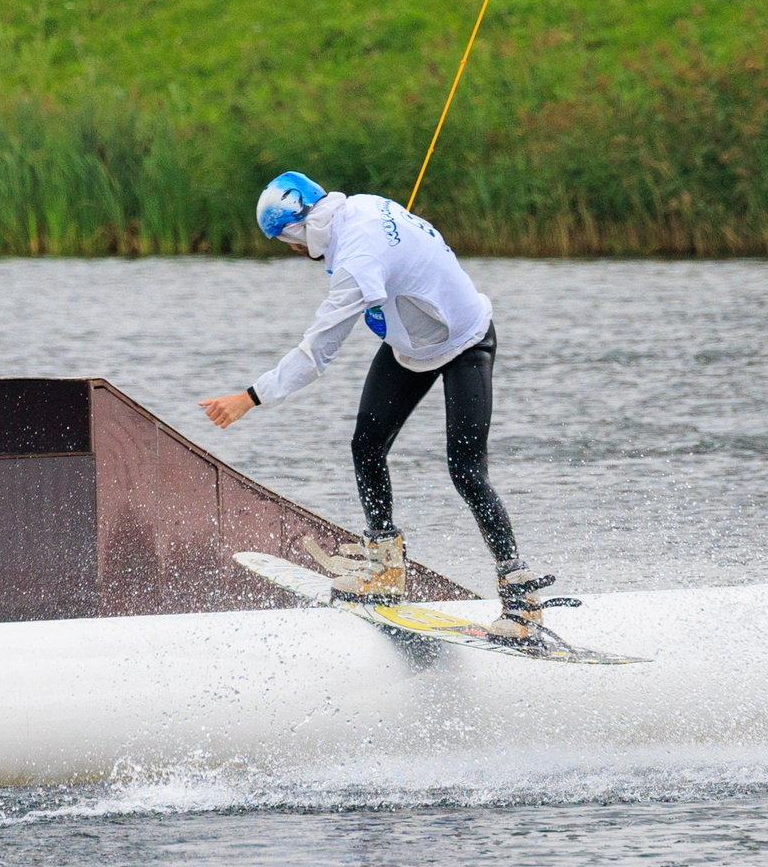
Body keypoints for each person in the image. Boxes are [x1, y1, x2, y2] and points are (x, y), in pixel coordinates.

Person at [198, 173, 567, 643]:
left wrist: (249, 397)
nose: (291, 252)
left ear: (300, 230)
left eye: (286, 242)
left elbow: (318, 352)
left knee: (467, 470)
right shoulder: (359, 208)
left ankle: (521, 602)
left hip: (465, 341)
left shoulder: (356, 260)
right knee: (366, 446)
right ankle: (387, 567)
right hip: (408, 347)